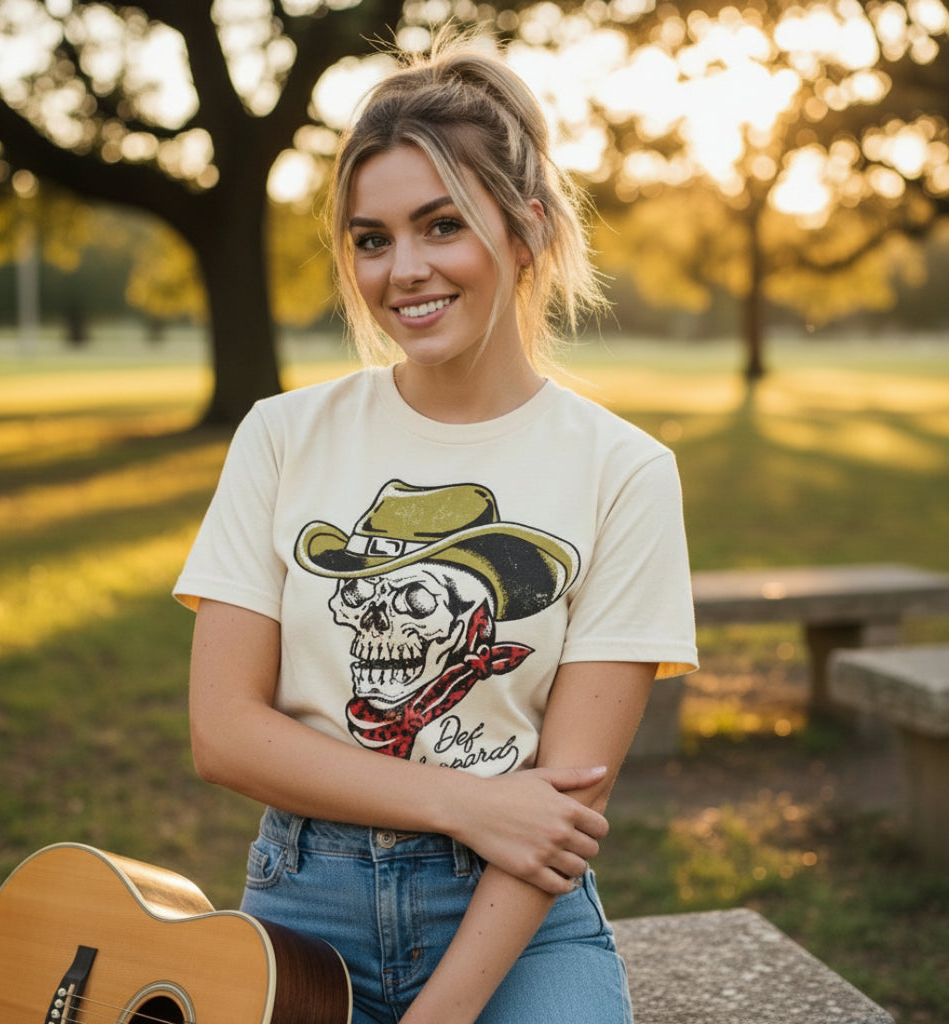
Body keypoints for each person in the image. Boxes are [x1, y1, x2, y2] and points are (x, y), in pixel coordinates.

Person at [174, 33, 697, 1024]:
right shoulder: (283, 436)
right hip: (302, 901)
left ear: (526, 229)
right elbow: (223, 732)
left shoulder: (624, 470)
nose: (402, 270)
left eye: (440, 225)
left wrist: (438, 1014)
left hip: (516, 913)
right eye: (371, 239)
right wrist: (463, 798)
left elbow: (563, 808)